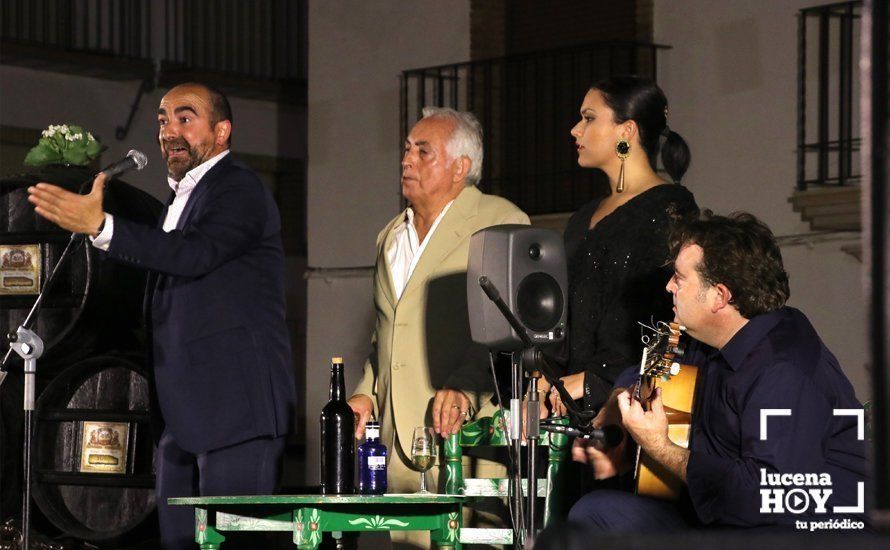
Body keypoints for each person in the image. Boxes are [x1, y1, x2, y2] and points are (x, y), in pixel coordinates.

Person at [27, 83, 295, 549]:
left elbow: (195, 255)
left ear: (222, 130)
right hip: (182, 417)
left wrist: (102, 226)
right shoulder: (179, 200)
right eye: (162, 120)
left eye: (185, 118)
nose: (170, 130)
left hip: (236, 413)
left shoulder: (238, 188)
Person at [567, 212, 867, 532]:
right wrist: (616, 403)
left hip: (809, 529)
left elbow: (765, 497)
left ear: (719, 296)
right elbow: (654, 362)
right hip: (728, 512)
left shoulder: (783, 372)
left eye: (680, 278)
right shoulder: (710, 337)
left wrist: (660, 449)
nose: (668, 286)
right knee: (595, 513)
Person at [347, 107, 529, 548]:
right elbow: (384, 335)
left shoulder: (500, 221)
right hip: (401, 446)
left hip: (465, 442)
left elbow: (512, 328)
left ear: (460, 167)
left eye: (422, 151)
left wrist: (467, 387)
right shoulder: (390, 235)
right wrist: (365, 393)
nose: (406, 161)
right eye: (407, 150)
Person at [540, 75, 698, 416]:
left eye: (589, 118)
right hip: (567, 407)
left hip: (626, 408)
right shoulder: (582, 217)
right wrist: (545, 375)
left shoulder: (670, 209)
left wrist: (596, 380)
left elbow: (663, 320)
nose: (575, 130)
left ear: (626, 131)